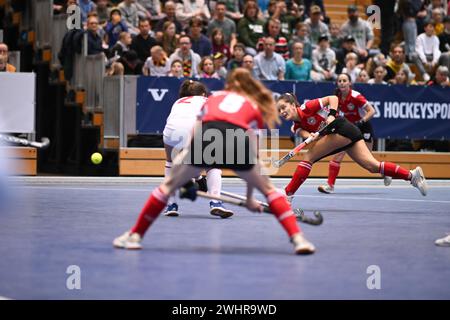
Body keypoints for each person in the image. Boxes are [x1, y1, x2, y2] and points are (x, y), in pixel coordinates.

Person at [113, 68, 316, 255]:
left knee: (166, 188)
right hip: (237, 139)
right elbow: (253, 144)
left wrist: (189, 171)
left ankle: (135, 236)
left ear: (228, 84)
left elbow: (196, 128)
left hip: (208, 135)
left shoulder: (212, 97)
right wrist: (249, 198)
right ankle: (299, 240)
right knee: (270, 192)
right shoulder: (252, 105)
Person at [275, 92, 428, 199]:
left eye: (284, 107)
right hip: (341, 136)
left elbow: (333, 98)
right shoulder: (295, 126)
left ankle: (287, 195)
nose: (282, 112)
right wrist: (314, 136)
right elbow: (307, 137)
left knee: (309, 157)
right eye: (279, 110)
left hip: (343, 128)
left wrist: (331, 115)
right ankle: (412, 176)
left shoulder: (307, 107)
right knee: (372, 166)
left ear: (293, 105)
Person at [161, 80, 233, 218]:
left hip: (171, 132)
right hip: (196, 129)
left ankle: (171, 204)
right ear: (203, 93)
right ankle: (215, 202)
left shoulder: (177, 103)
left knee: (170, 163)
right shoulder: (206, 100)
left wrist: (197, 178)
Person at [317, 73, 392, 194]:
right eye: (340, 80)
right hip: (348, 129)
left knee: (369, 162)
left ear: (349, 83)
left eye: (344, 80)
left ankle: (385, 173)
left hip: (363, 127)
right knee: (338, 155)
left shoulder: (356, 96)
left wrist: (360, 122)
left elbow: (371, 111)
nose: (342, 82)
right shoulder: (336, 97)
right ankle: (330, 186)